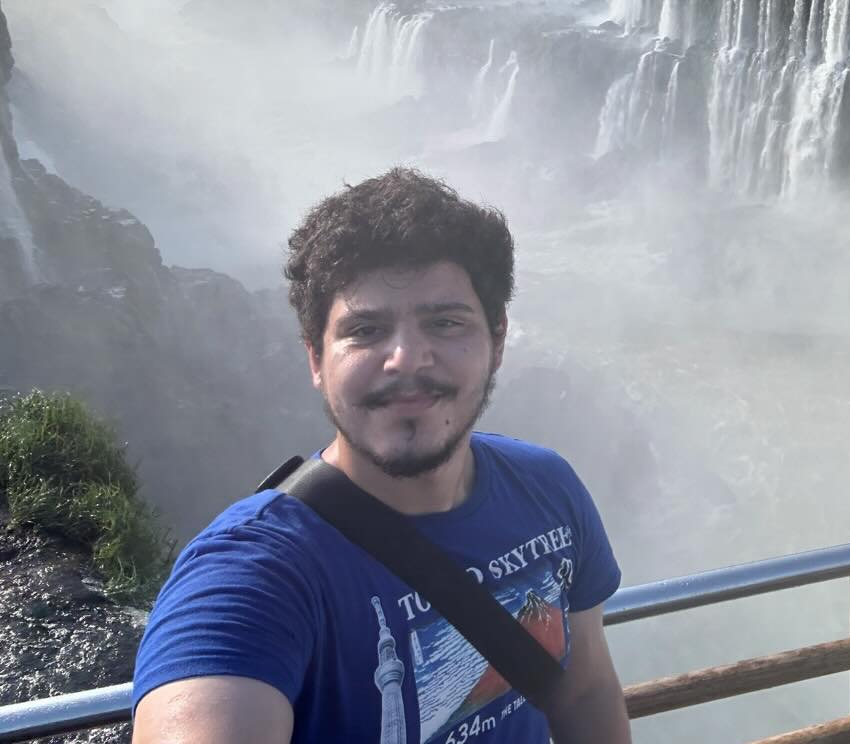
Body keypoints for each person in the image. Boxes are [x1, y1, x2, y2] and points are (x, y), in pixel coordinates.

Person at [132, 168, 632, 744]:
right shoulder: (255, 576)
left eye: (444, 323)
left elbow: (584, 689)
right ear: (316, 359)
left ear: (497, 343)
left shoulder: (549, 490)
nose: (406, 359)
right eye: (365, 330)